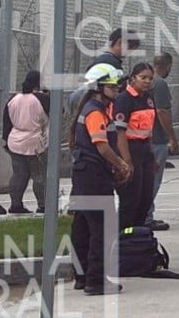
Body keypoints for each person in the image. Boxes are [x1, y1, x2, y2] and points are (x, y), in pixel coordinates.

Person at [69, 64, 132, 295]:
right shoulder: (95, 112)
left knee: (83, 226)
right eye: (112, 86)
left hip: (84, 175)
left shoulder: (92, 108)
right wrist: (121, 164)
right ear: (98, 87)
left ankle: (82, 276)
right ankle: (96, 281)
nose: (116, 90)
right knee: (102, 228)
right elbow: (103, 147)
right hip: (93, 176)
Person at [113, 62, 158, 230]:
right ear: (133, 78)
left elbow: (149, 129)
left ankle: (137, 239)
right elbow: (120, 133)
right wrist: (127, 161)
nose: (147, 82)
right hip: (130, 150)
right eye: (143, 78)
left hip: (145, 151)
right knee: (130, 202)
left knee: (145, 200)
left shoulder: (148, 98)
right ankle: (120, 240)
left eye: (150, 79)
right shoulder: (125, 99)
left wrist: (152, 155)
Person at [5, 71, 49, 214]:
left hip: (15, 141)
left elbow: (6, 122)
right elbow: (59, 111)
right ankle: (43, 205)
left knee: (18, 175)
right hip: (36, 142)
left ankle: (15, 205)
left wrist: (6, 141)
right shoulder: (42, 99)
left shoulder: (14, 99)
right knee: (39, 176)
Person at [146, 53, 179, 231]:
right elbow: (162, 112)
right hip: (157, 139)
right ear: (167, 66)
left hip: (145, 137)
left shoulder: (147, 81)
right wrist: (173, 138)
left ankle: (144, 214)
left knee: (147, 179)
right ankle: (146, 216)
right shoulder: (159, 84)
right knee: (153, 180)